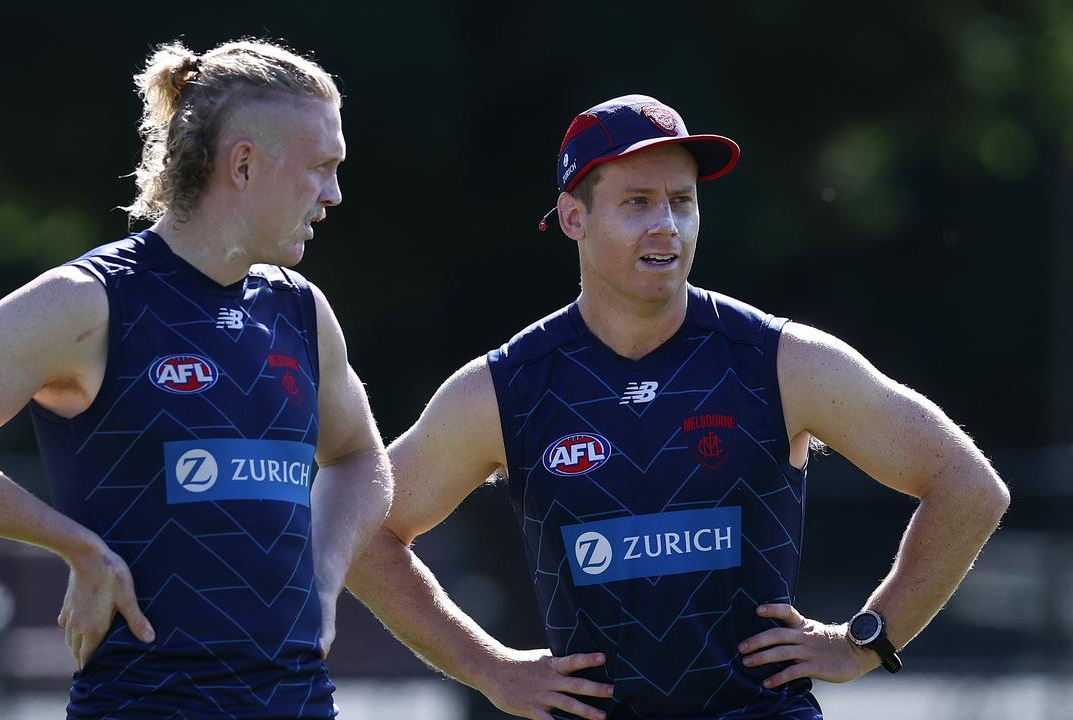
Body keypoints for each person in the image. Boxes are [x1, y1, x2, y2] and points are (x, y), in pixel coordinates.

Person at [346, 95, 1010, 720]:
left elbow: (969, 487)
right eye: (637, 202)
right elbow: (358, 531)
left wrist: (864, 640)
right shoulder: (507, 387)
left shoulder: (783, 361)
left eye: (681, 201)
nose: (666, 223)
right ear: (575, 217)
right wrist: (490, 668)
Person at [0, 39, 393, 719]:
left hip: (300, 703)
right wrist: (75, 547)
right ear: (244, 164)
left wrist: (323, 577)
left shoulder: (300, 309)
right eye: (321, 167)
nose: (334, 193)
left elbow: (359, 457)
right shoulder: (90, 301)